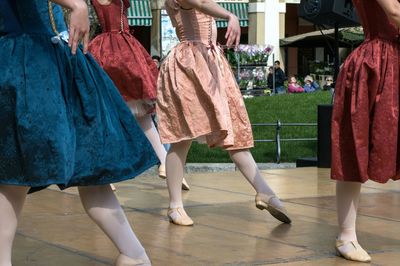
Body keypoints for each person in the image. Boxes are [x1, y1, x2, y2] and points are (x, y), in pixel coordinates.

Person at [0, 0, 159, 265]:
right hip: (29, 61)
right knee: (15, 171)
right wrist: (76, 5)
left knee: (91, 164)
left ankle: (134, 254)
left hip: (58, 58)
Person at [156, 0, 291, 226]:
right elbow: (199, 2)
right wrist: (231, 16)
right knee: (183, 137)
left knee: (233, 131)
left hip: (210, 62)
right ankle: (175, 206)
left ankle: (264, 191)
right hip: (190, 64)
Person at [88, 0, 189, 190]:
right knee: (144, 117)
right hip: (123, 48)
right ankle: (164, 162)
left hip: (103, 50)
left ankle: (108, 174)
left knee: (108, 118)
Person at [331, 0, 400, 262]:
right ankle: (346, 235)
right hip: (378, 64)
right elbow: (393, 12)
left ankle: (346, 235)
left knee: (355, 146)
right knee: (354, 148)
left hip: (389, 62)